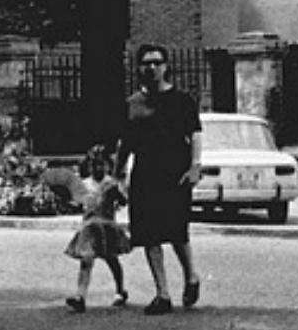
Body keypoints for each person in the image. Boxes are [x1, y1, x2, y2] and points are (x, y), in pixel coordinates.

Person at [116, 44, 203, 315]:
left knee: (177, 231)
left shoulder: (182, 100)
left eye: (157, 62)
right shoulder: (132, 104)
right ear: (139, 68)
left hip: (175, 173)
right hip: (145, 175)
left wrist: (195, 166)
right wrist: (118, 174)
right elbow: (125, 142)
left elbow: (195, 134)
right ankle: (162, 294)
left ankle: (191, 277)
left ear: (166, 66)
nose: (151, 67)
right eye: (146, 63)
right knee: (149, 234)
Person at [63, 145, 129, 313]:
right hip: (89, 229)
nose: (98, 168)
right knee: (86, 260)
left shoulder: (110, 183)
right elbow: (76, 202)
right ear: (89, 166)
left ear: (107, 165)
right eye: (94, 164)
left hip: (106, 227)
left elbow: (123, 201)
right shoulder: (84, 184)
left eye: (101, 164)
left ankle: (120, 290)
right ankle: (80, 296)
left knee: (112, 260)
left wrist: (117, 193)